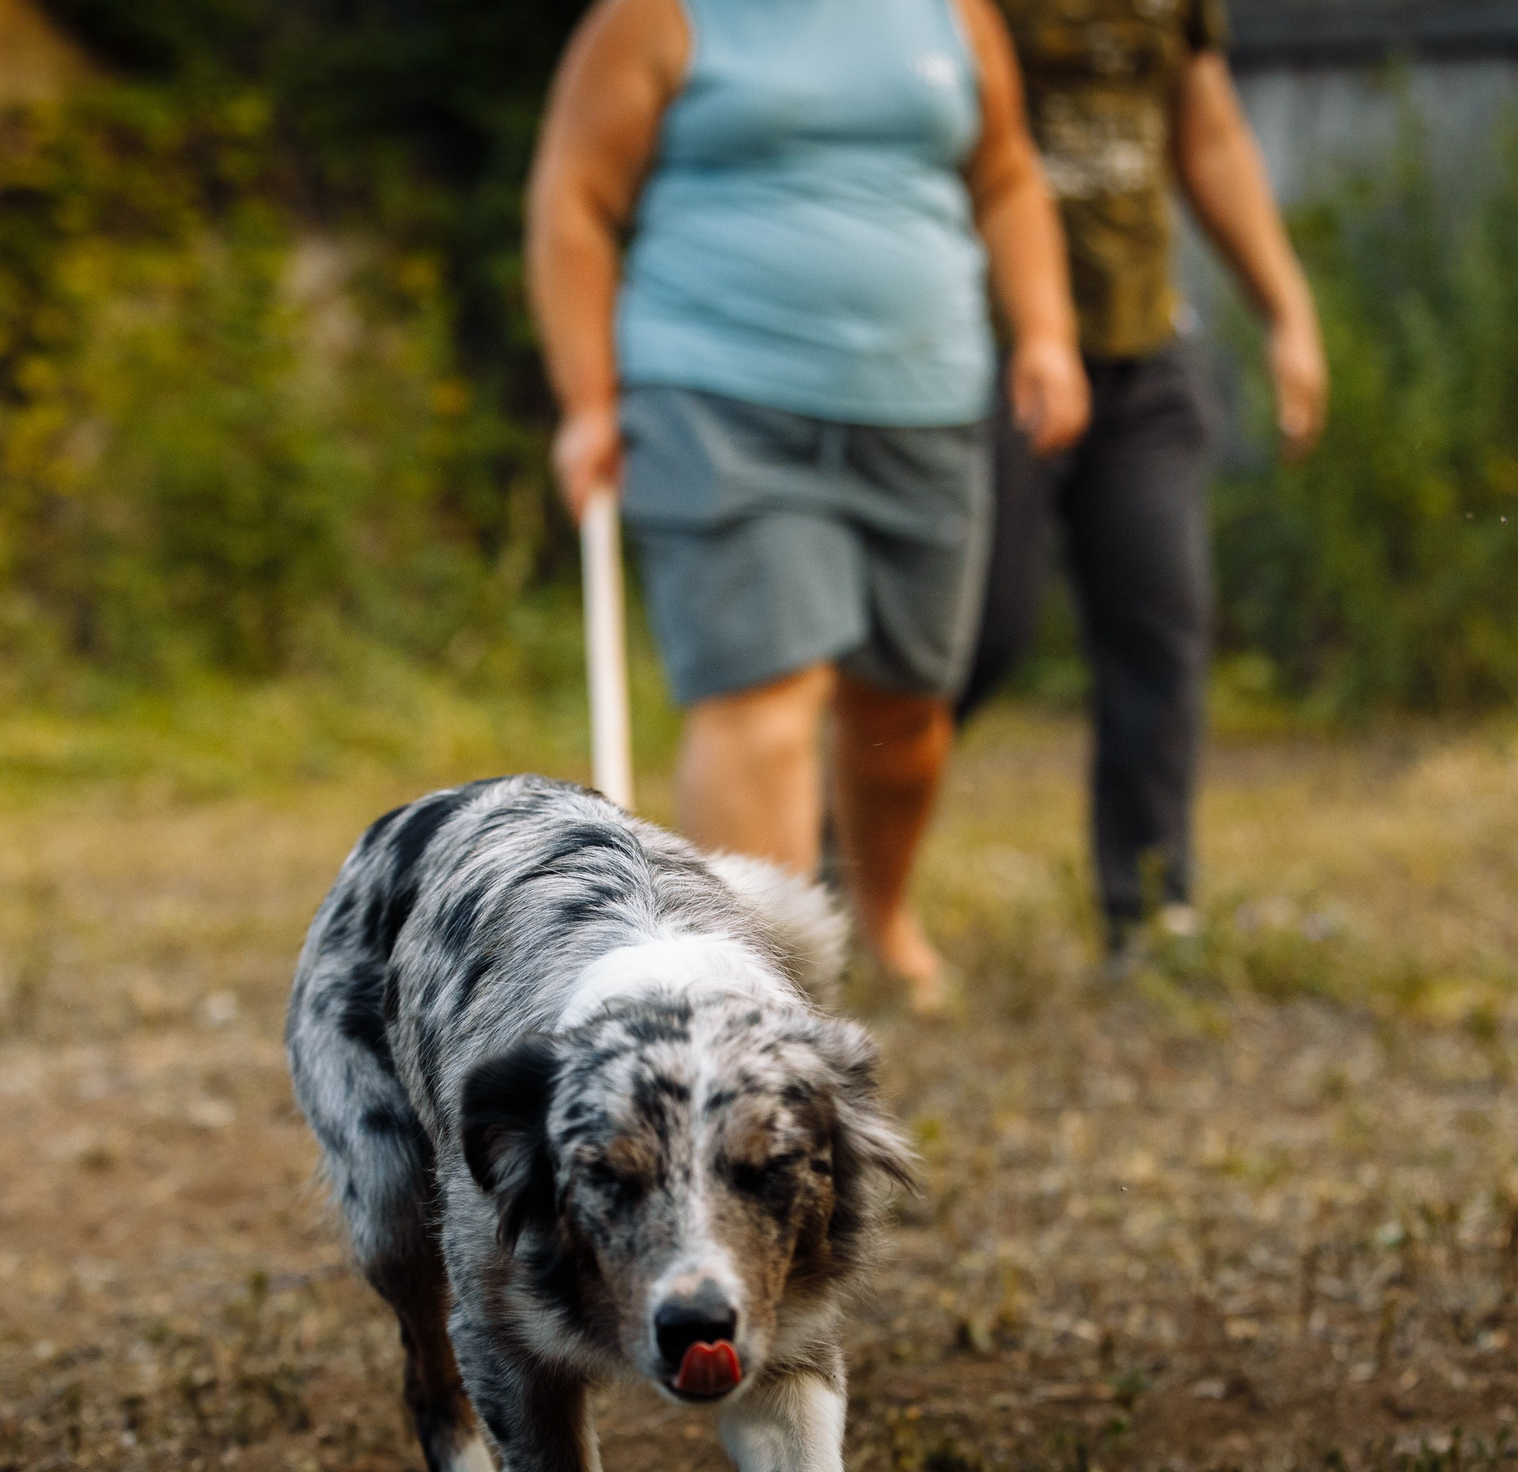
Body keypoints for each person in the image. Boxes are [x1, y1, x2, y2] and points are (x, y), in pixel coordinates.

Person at [527, 0, 1089, 1011]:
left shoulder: (952, 14)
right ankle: (755, 996)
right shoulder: (655, 17)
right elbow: (574, 195)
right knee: (763, 701)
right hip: (718, 400)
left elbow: (1005, 174)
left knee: (903, 711)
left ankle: (880, 915)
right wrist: (587, 401)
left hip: (925, 406)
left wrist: (1045, 331)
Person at [957, 0, 1326, 956]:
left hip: (1143, 349)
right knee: (973, 634)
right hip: (986, 351)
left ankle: (1153, 913)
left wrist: (1286, 310)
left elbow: (1209, 134)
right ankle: (836, 867)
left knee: (1160, 628)